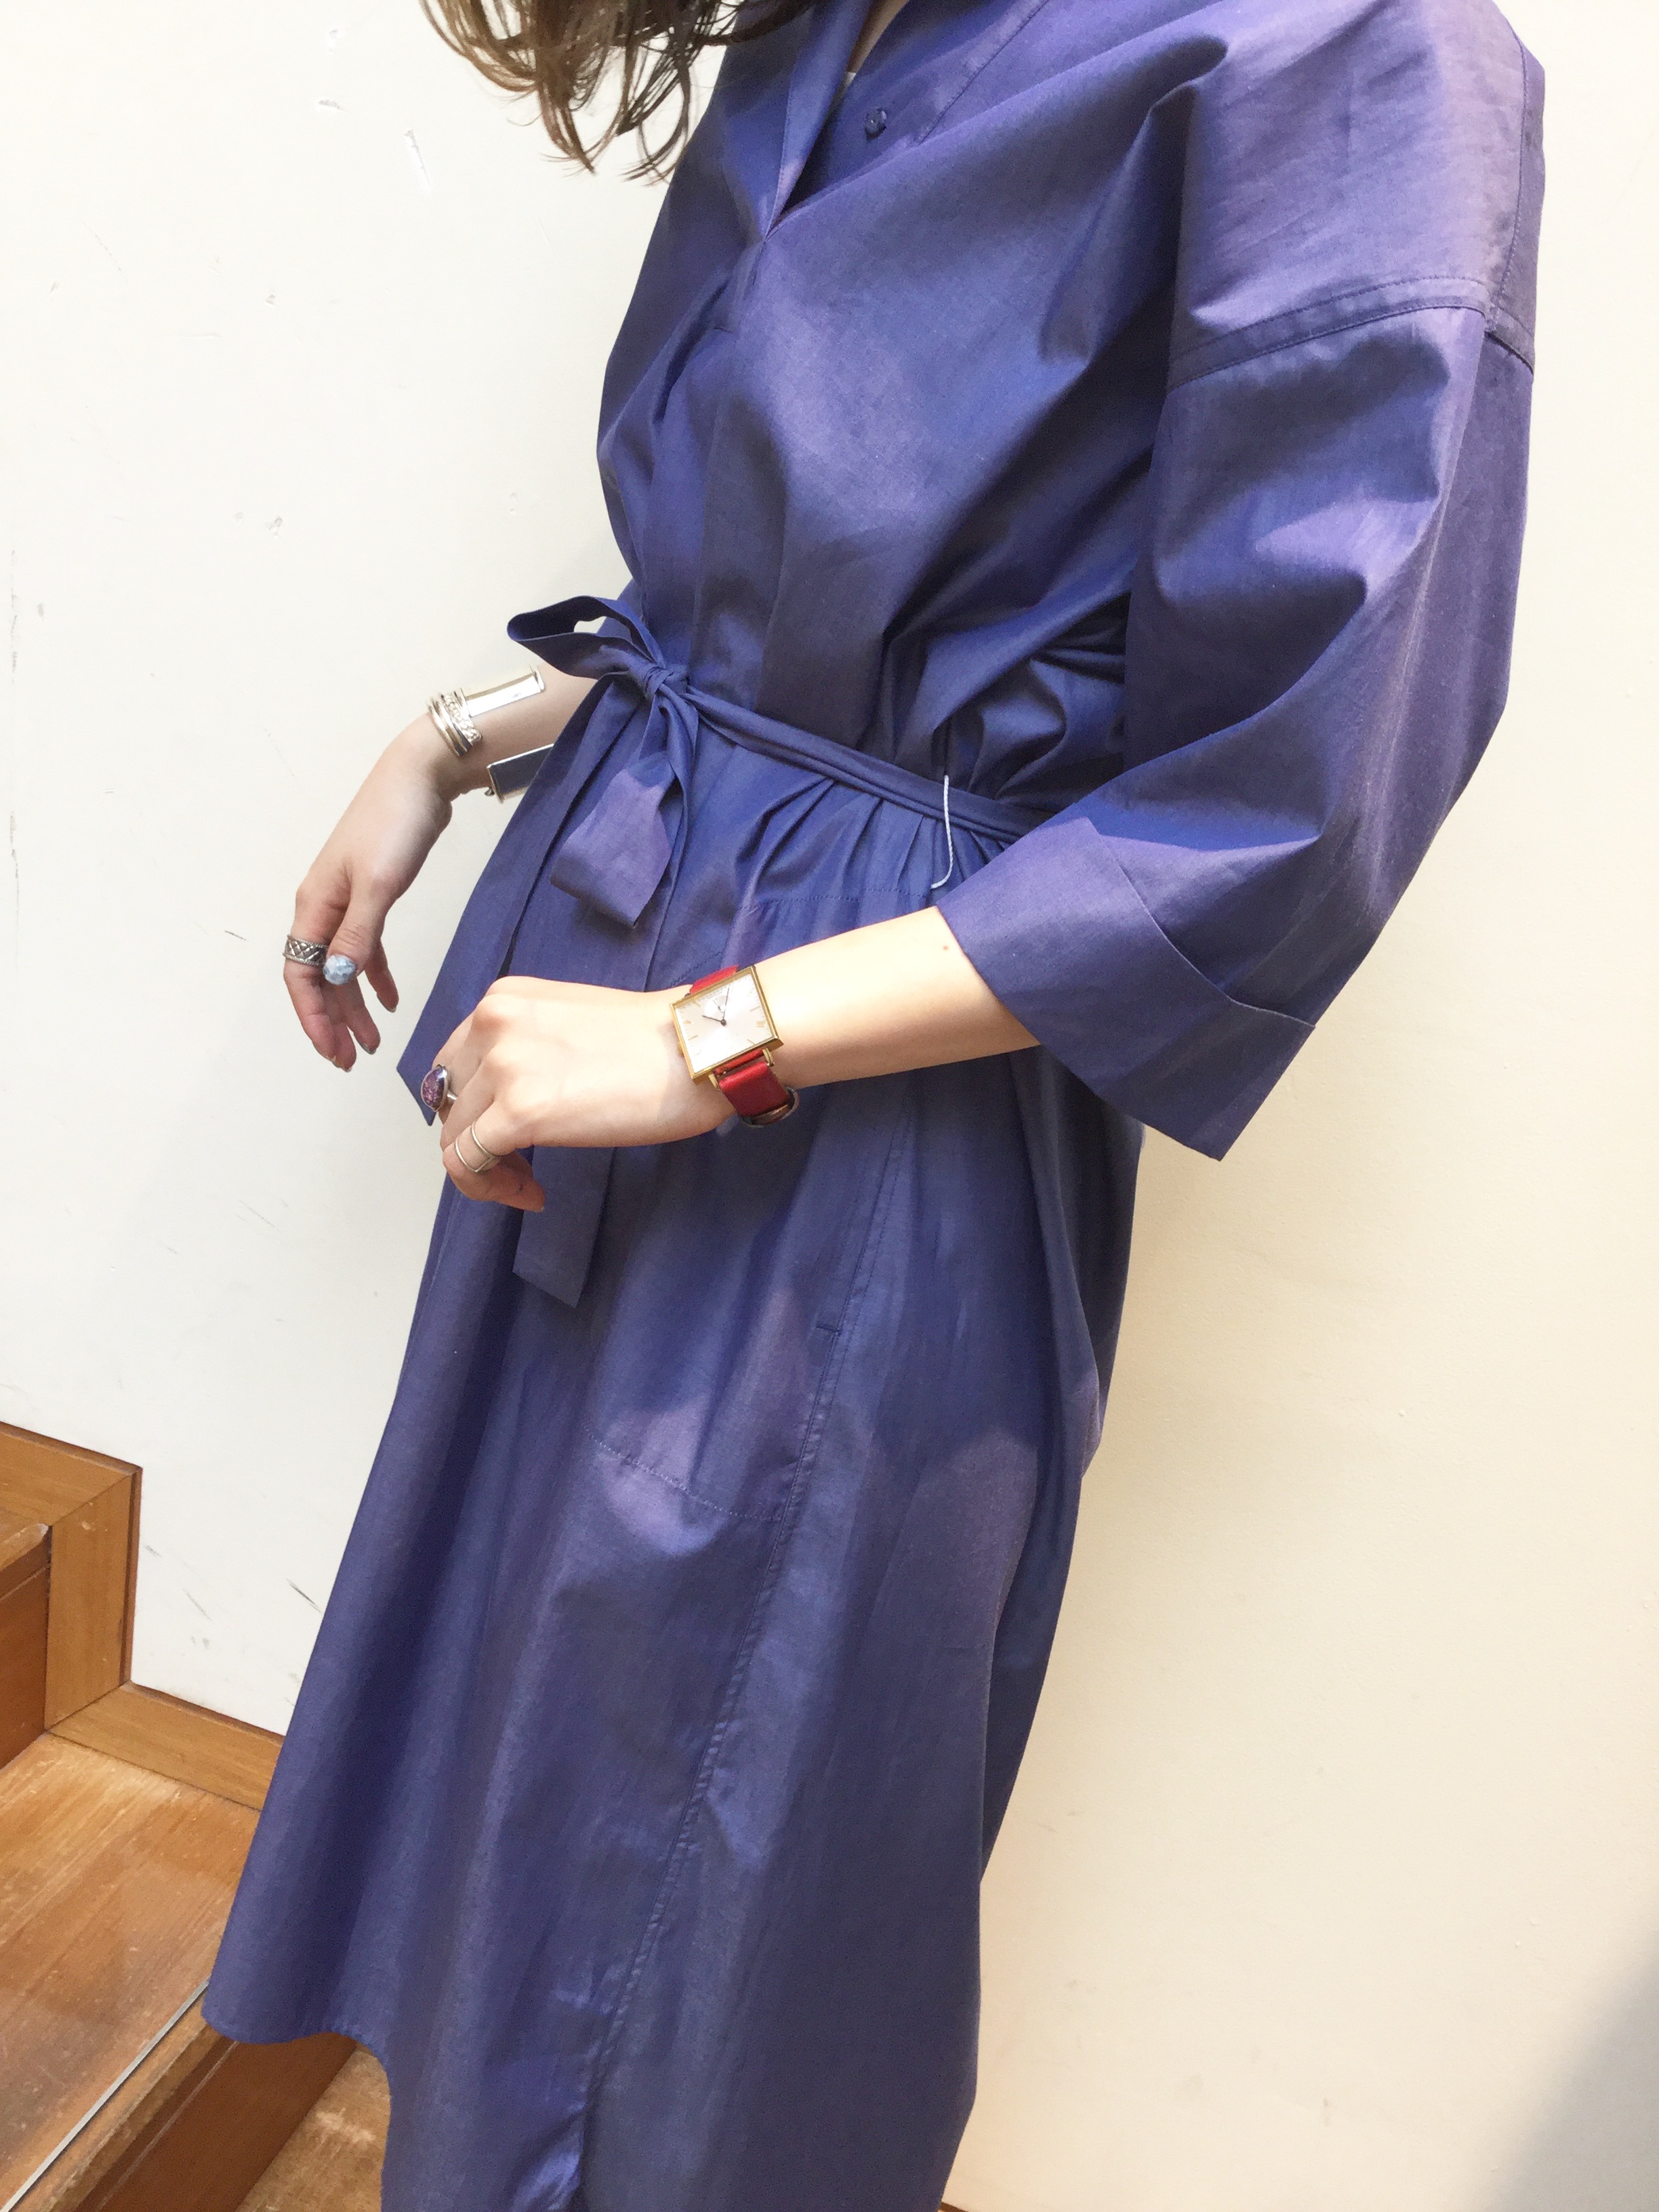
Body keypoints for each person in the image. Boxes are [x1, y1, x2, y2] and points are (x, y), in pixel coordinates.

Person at [204, 0, 1544, 2205]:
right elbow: (789, 599)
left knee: (681, 1937)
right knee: (527, 1845)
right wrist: (460, 733)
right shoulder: (848, 11)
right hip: (615, 1007)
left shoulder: (1361, 54)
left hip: (845, 1118)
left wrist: (705, 1041)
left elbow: (1285, 806)